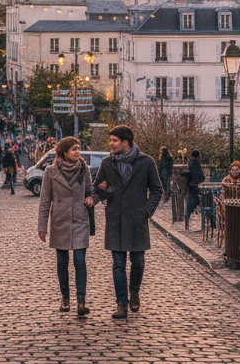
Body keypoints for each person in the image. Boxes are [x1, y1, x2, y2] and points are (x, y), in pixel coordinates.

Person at [89, 125, 163, 320]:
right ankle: (121, 303)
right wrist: (99, 193)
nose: (110, 144)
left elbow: (157, 189)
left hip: (137, 219)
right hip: (116, 218)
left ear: (125, 142)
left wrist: (146, 212)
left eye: (114, 140)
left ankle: (134, 291)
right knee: (118, 264)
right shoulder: (107, 163)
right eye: (110, 140)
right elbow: (98, 189)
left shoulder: (146, 162)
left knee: (137, 262)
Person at [37, 137, 94, 317]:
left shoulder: (83, 169)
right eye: (74, 149)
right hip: (60, 221)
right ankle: (65, 298)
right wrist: (42, 226)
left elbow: (91, 191)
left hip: (79, 220)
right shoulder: (50, 171)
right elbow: (45, 200)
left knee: (79, 261)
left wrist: (92, 199)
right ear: (64, 152)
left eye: (78, 148)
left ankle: (81, 301)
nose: (78, 152)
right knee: (62, 262)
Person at [184, 149, 207, 229]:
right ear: (199, 156)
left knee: (189, 207)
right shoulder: (196, 164)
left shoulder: (190, 163)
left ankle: (186, 224)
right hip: (197, 188)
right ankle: (203, 226)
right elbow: (200, 176)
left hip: (192, 187)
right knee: (202, 207)